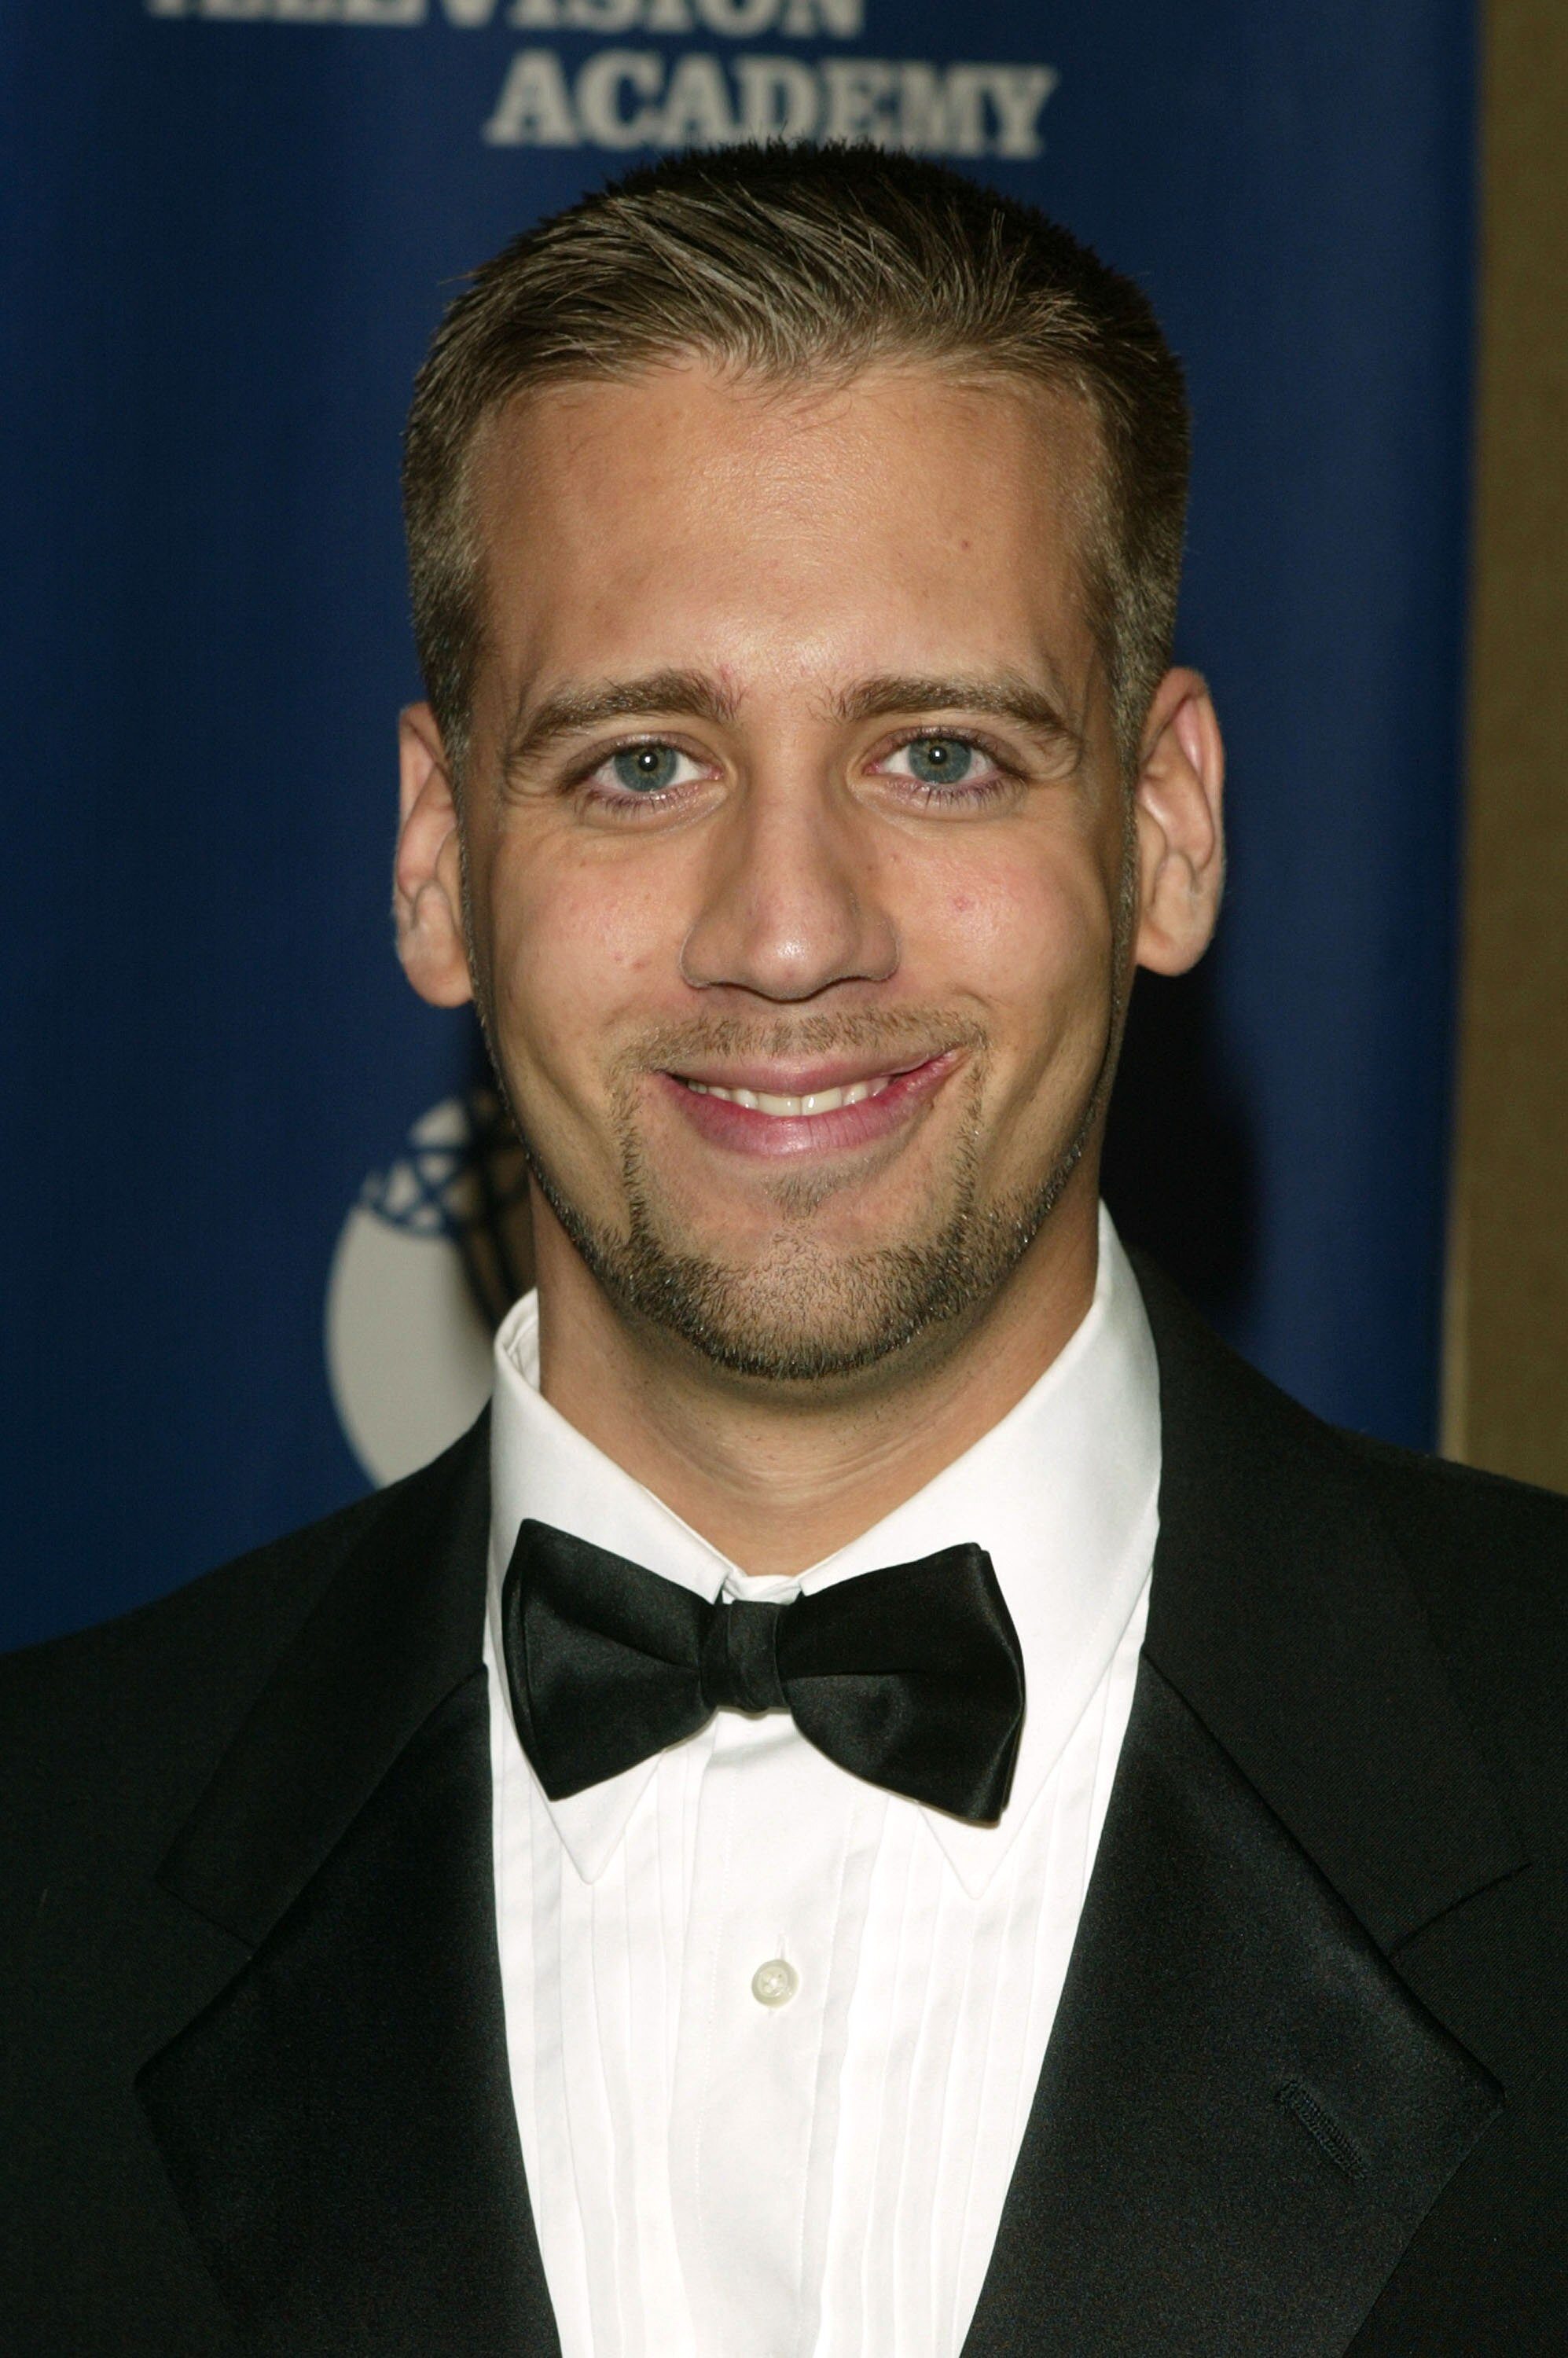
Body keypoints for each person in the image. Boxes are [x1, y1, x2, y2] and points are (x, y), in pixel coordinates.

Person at [2, 144, 1564, 2358]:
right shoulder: (40, 1873)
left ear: (1165, 824)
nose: (792, 931)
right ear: (438, 860)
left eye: (939, 754)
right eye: (644, 765)